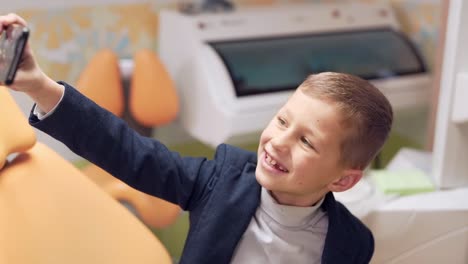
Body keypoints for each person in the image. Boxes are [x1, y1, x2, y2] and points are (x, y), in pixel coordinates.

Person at [1, 13, 393, 264]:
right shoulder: (221, 181)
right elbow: (128, 151)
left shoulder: (353, 245)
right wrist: (40, 86)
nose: (277, 141)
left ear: (343, 180)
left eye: (307, 142)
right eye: (281, 121)